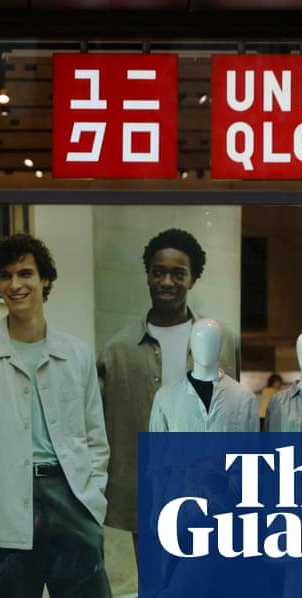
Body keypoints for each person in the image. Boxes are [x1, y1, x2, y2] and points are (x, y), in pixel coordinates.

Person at [0, 233, 110, 598]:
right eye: (5, 276)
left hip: (73, 503)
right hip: (4, 509)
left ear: (45, 279)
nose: (15, 285)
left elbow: (96, 439)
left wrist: (92, 501)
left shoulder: (77, 355)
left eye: (25, 273)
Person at [97, 228, 236, 553]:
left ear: (193, 278)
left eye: (178, 273)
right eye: (158, 272)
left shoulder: (224, 343)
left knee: (203, 580)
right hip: (148, 487)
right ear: (147, 275)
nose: (166, 282)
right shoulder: (117, 350)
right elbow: (99, 427)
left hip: (207, 485)